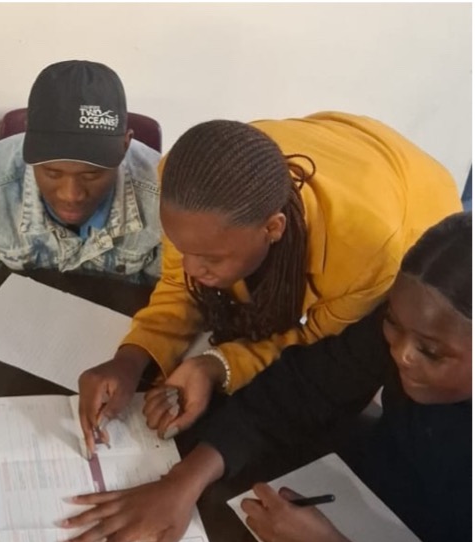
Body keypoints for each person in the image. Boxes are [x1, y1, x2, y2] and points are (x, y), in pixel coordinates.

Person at [61, 212, 472, 542]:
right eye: (392, 324)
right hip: (369, 498)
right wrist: (185, 479)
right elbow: (302, 388)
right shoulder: (412, 328)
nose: (402, 354)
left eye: (431, 351)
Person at [78, 112, 462, 454]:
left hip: (415, 201)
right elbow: (181, 284)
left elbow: (310, 340)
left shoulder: (366, 256)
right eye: (183, 249)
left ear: (274, 227)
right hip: (345, 143)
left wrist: (217, 365)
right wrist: (130, 359)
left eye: (211, 258)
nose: (191, 268)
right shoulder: (189, 189)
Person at [0, 60, 162, 283]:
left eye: (91, 175)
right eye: (52, 173)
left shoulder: (162, 191)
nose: (71, 195)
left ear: (125, 145)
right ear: (28, 142)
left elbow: (167, 295)